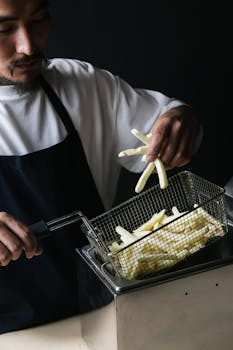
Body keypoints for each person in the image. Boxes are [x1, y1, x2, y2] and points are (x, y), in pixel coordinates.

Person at [0, 0, 201, 334]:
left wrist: (182, 119)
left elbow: (169, 118)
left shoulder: (84, 84)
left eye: (38, 20)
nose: (29, 45)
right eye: (4, 29)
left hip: (110, 314)